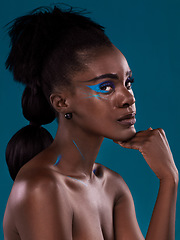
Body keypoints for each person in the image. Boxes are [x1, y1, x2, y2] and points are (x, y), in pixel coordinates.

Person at [3, 4, 179, 240]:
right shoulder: (41, 187)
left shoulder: (112, 186)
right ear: (62, 102)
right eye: (106, 87)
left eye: (128, 82)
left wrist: (169, 180)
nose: (128, 98)